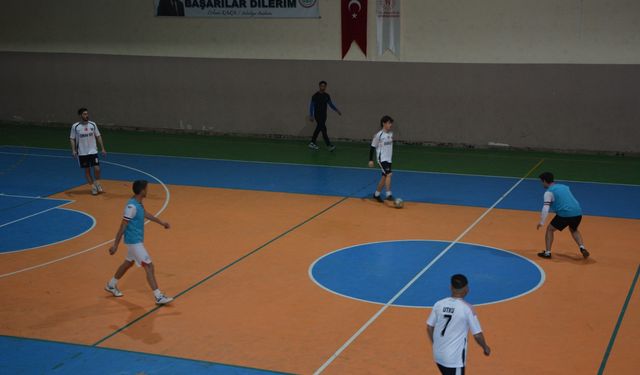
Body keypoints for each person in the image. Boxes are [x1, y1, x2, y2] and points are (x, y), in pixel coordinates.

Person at [105, 180, 174, 305]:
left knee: (128, 263)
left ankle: (111, 284)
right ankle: (158, 296)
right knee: (149, 266)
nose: (147, 191)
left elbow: (145, 214)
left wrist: (161, 222)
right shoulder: (131, 207)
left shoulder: (138, 203)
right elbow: (122, 226)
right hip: (134, 241)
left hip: (135, 240)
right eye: (146, 189)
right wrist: (115, 245)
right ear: (142, 191)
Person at [427, 274, 491, 375]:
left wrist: (435, 344)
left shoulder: (439, 304)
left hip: (438, 355)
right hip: (453, 359)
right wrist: (485, 348)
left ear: (451, 287)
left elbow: (430, 326)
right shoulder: (467, 308)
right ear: (466, 289)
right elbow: (477, 335)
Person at [536, 172, 590, 259]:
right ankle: (582, 247)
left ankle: (547, 253)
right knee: (574, 229)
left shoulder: (548, 192)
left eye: (541, 182)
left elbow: (546, 208)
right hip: (578, 213)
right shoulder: (564, 187)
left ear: (545, 181)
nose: (541, 184)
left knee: (550, 229)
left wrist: (541, 222)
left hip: (564, 214)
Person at [70, 108, 107, 195]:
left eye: (87, 114)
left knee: (97, 168)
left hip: (93, 151)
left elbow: (98, 136)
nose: (86, 115)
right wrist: (73, 150)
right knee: (87, 171)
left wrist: (103, 148)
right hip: (82, 152)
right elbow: (72, 138)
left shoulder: (92, 124)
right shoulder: (75, 127)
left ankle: (97, 183)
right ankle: (93, 186)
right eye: (84, 114)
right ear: (80, 115)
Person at [308, 80, 342, 151]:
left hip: (324, 116)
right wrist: (311, 115)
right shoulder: (315, 96)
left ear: (325, 87)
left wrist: (336, 110)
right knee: (323, 130)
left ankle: (312, 143)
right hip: (317, 115)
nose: (323, 87)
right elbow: (312, 106)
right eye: (321, 86)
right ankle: (329, 145)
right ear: (319, 86)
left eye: (324, 86)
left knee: (318, 129)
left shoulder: (327, 96)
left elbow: (330, 104)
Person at [368, 115, 395, 202]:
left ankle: (376, 194)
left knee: (384, 177)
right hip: (382, 159)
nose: (390, 125)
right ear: (383, 123)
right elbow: (372, 147)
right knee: (389, 174)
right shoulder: (378, 135)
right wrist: (370, 160)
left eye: (391, 123)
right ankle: (388, 194)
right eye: (389, 123)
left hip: (389, 159)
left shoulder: (391, 134)